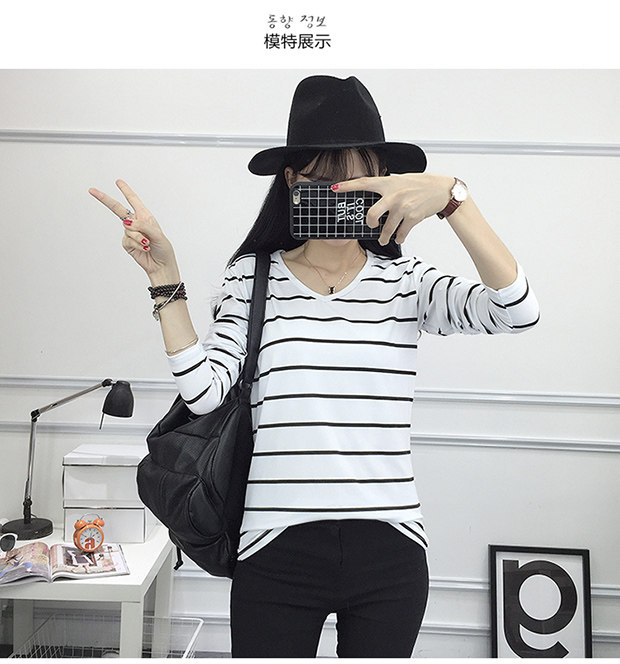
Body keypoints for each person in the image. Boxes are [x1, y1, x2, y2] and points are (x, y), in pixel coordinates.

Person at [89, 75, 540, 658]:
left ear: (387, 184)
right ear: (291, 181)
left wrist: (454, 199)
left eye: (359, 182)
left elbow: (517, 310)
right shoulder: (253, 277)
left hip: (391, 552)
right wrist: (164, 278)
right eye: (323, 181)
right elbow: (204, 394)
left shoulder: (407, 282)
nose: (341, 195)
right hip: (274, 551)